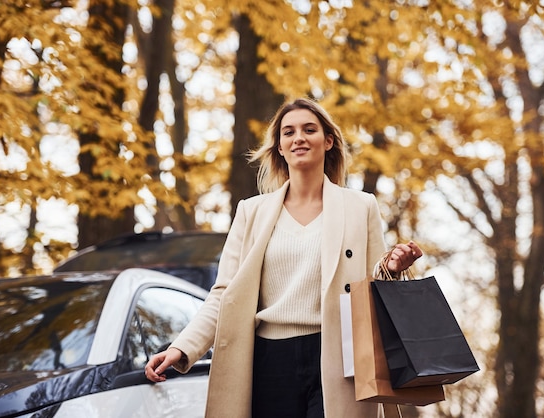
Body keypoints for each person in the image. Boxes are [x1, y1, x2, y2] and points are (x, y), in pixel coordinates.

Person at [145, 97, 423, 418]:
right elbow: (225, 295)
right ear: (279, 146)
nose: (299, 138)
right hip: (269, 360)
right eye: (288, 132)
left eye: (309, 129)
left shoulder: (361, 207)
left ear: (328, 141)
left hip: (337, 356)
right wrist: (182, 348)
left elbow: (373, 291)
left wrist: (390, 268)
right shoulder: (252, 212)